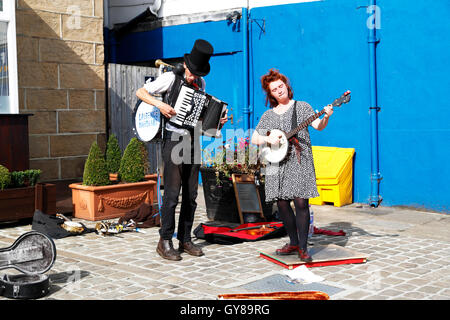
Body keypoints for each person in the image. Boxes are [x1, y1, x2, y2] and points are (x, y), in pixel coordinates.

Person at [136, 39, 228, 261]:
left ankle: (185, 239)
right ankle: (164, 240)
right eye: (191, 72)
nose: (193, 77)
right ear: (186, 65)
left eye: (197, 74)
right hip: (174, 138)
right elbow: (141, 92)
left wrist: (218, 123)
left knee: (191, 194)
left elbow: (202, 118)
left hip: (193, 138)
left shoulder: (202, 84)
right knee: (171, 194)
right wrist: (160, 105)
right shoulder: (170, 78)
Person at [251, 69, 333, 262]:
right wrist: (268, 137)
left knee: (301, 202)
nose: (279, 90)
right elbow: (255, 138)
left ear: (287, 86)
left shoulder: (302, 107)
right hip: (277, 162)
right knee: (282, 203)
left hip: (299, 159)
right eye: (274, 89)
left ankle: (303, 248)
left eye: (281, 86)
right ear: (271, 94)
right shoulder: (269, 115)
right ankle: (293, 241)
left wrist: (327, 116)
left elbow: (318, 126)